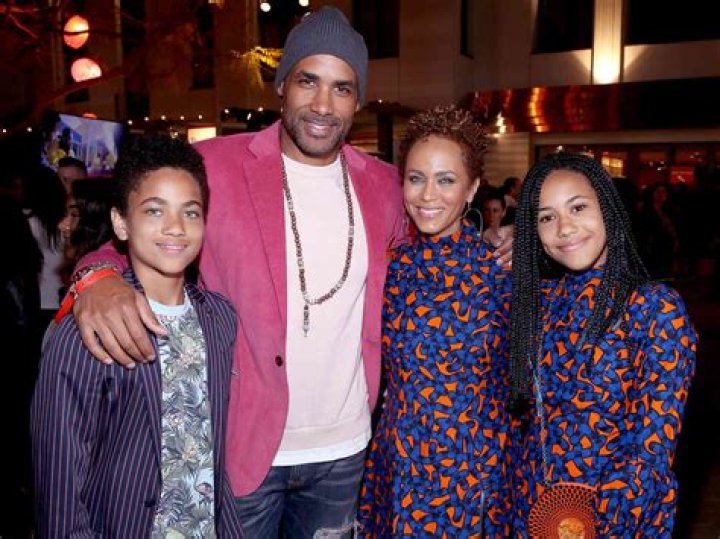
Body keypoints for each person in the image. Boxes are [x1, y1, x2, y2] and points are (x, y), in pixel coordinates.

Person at [69, 8, 512, 537]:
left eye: (342, 88)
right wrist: (95, 276)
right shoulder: (215, 165)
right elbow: (142, 229)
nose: (323, 104)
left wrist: (515, 240)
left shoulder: (385, 185)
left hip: (346, 455)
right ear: (281, 86)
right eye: (308, 81)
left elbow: (437, 238)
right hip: (246, 449)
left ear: (358, 100)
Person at [31, 134, 243, 538]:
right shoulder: (87, 329)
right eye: (154, 211)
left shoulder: (219, 318)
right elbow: (59, 480)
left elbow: (211, 449)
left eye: (191, 212)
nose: (175, 227)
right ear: (120, 223)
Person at [509, 152, 697, 537]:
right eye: (546, 217)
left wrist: (605, 522)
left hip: (617, 518)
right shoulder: (539, 301)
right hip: (533, 510)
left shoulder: (654, 308)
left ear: (608, 208)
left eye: (578, 207)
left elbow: (650, 447)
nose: (564, 228)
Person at [357, 105, 512, 536]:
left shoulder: (502, 272)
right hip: (397, 466)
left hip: (472, 476)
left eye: (446, 180)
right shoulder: (391, 267)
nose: (428, 195)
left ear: (472, 188)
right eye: (416, 178)